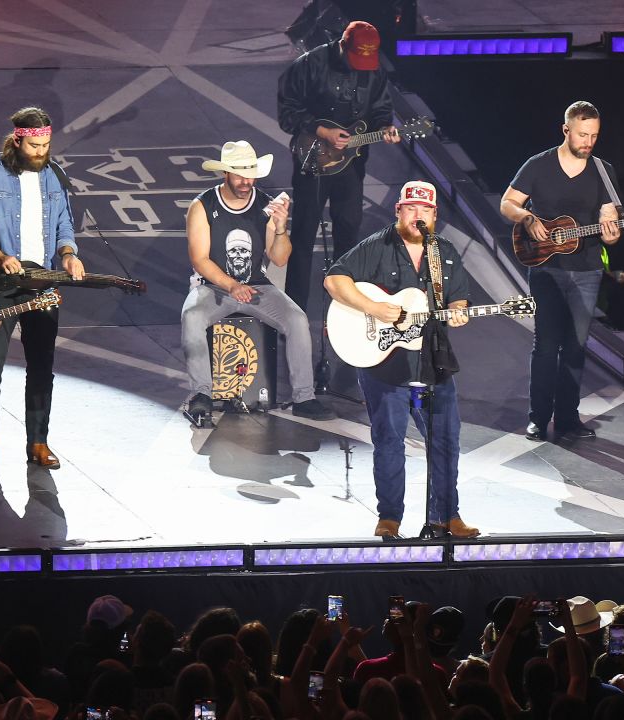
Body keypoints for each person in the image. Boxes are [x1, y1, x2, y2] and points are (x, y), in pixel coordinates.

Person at [324, 181, 479, 539]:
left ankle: (446, 516)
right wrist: (373, 307)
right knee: (389, 440)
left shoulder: (446, 253)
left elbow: (458, 299)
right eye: (411, 209)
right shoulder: (378, 246)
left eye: (425, 210)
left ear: (435, 215)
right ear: (398, 211)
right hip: (386, 365)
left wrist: (458, 312)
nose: (418, 216)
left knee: (445, 440)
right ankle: (389, 517)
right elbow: (335, 281)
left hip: (434, 362)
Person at [0, 107, 81, 471]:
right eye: (35, 146)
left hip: (41, 281)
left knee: (42, 365)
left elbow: (64, 225)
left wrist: (70, 255)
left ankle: (38, 442)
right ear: (18, 139)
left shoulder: (53, 175)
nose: (42, 152)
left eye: (46, 145)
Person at [179, 140, 335, 422]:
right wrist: (231, 285)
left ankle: (304, 397)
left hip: (256, 286)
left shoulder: (264, 204)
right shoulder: (203, 205)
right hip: (213, 286)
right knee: (191, 316)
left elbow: (279, 258)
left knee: (297, 320)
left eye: (250, 174)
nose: (246, 181)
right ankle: (202, 394)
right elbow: (199, 259)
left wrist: (280, 228)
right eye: (239, 174)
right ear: (225, 173)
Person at [500, 101, 624, 442]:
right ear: (566, 130)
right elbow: (507, 202)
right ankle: (538, 418)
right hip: (546, 268)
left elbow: (609, 221)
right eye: (583, 135)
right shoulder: (538, 165)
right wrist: (527, 218)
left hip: (587, 271)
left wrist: (611, 233)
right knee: (546, 345)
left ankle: (568, 419)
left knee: (576, 347)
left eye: (594, 136)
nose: (588, 142)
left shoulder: (602, 170)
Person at [277, 20, 400, 311]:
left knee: (348, 231)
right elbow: (287, 112)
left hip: (352, 166)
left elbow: (381, 108)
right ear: (342, 45)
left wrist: (385, 127)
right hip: (314, 162)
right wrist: (321, 130)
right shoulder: (309, 65)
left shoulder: (374, 71)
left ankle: (346, 306)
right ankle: (295, 309)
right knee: (304, 235)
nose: (361, 66)